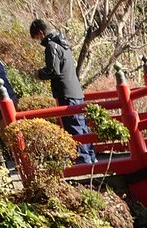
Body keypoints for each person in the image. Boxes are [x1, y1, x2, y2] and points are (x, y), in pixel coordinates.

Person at [28, 19, 96, 164]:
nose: (38, 41)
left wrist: (39, 74)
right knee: (82, 126)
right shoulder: (63, 43)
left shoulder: (51, 46)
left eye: (37, 37)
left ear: (41, 32)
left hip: (65, 93)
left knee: (74, 128)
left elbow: (53, 71)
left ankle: (84, 162)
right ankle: (90, 157)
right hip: (75, 91)